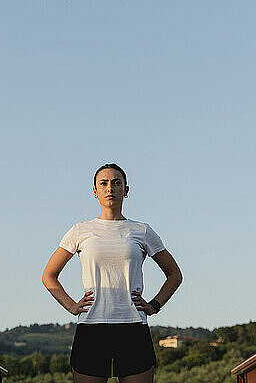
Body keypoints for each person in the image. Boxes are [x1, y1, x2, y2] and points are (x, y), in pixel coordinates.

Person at [42, 163, 183, 383]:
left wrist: (154, 305)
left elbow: (174, 274)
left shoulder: (141, 230)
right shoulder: (80, 230)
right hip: (91, 328)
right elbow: (49, 275)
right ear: (95, 191)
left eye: (117, 183)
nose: (110, 188)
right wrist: (71, 305)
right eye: (104, 183)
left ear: (126, 190)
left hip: (133, 327)